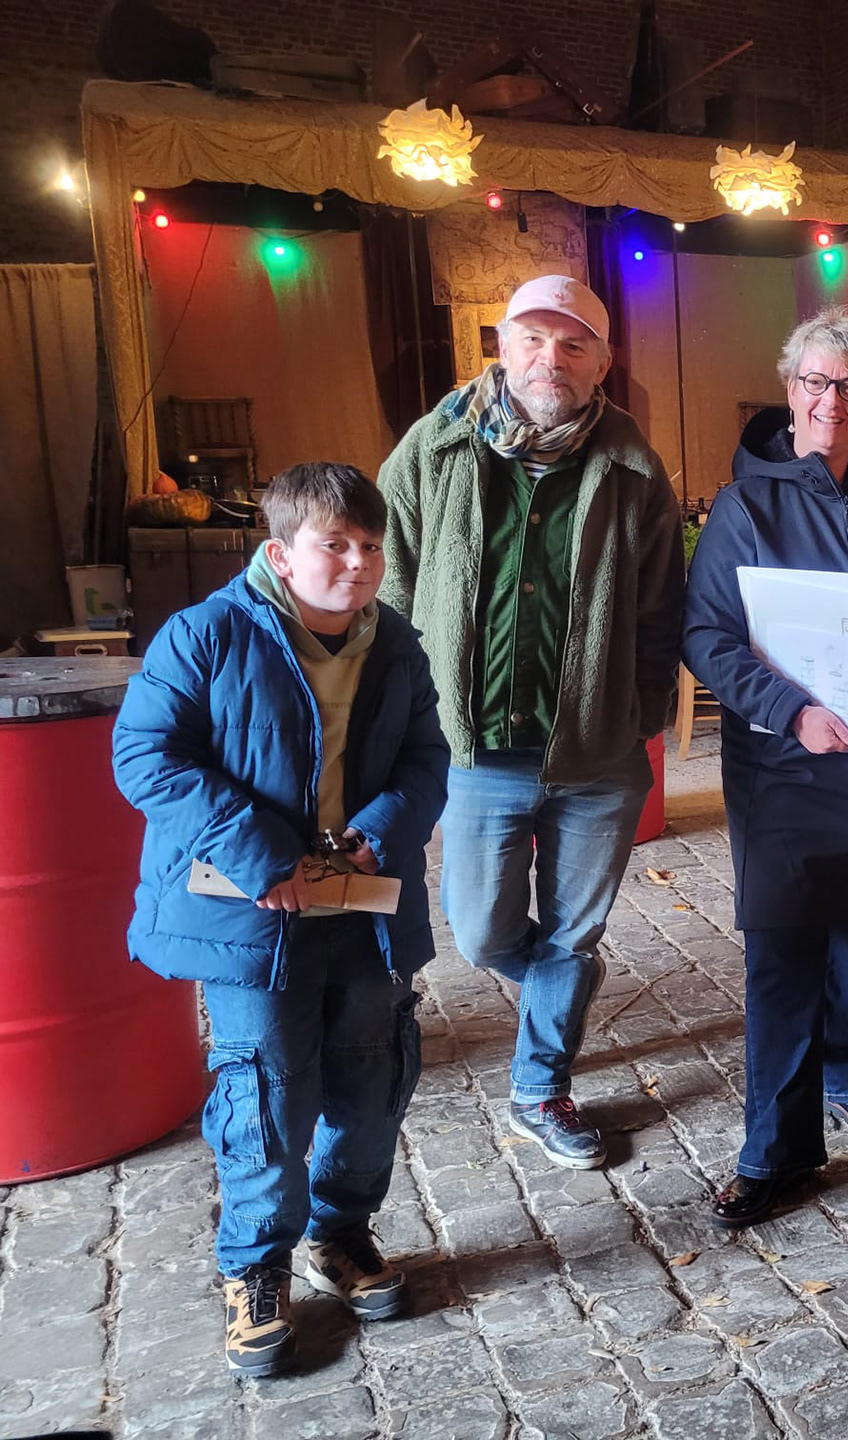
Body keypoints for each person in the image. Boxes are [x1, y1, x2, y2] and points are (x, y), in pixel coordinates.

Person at [112, 463, 449, 1377]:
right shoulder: (206, 635)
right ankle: (256, 1268)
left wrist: (378, 833)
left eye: (371, 546)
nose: (358, 563)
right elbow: (146, 754)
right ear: (281, 554)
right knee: (266, 1090)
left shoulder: (396, 645)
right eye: (334, 544)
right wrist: (261, 855)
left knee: (372, 1078)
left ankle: (340, 1235)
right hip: (250, 912)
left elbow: (427, 757)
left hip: (360, 904)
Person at [379, 275, 684, 1170]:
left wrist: (639, 719)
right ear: (503, 347)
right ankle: (561, 979)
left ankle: (539, 1085)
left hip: (598, 752)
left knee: (573, 930)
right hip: (476, 751)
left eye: (574, 343)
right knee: (480, 932)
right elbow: (391, 584)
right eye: (534, 339)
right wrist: (398, 715)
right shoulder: (433, 448)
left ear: (602, 362)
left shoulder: (633, 466)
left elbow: (659, 609)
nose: (552, 358)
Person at [682, 307, 848, 1227]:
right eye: (817, 383)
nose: (833, 400)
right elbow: (706, 636)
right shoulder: (746, 506)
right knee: (784, 950)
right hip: (786, 765)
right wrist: (793, 711)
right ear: (790, 392)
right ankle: (776, 1153)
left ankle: (847, 1072)